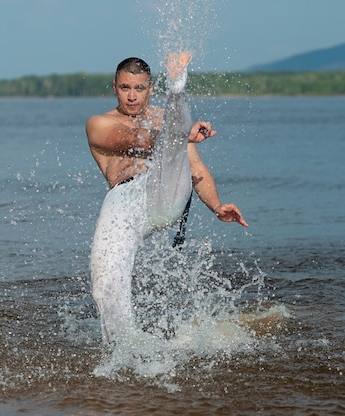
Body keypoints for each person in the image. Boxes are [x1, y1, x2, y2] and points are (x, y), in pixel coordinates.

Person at [86, 52, 248, 344]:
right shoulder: (99, 124)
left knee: (173, 151)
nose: (132, 96)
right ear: (114, 87)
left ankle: (177, 87)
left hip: (166, 194)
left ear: (150, 87)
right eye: (125, 88)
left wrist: (216, 206)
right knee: (104, 282)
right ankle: (125, 348)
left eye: (139, 88)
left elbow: (195, 169)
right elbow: (134, 140)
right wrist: (182, 135)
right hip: (124, 202)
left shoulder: (168, 122)